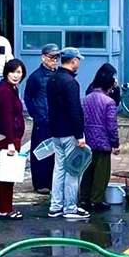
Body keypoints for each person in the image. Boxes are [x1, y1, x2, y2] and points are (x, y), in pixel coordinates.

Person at [46, 48, 89, 221]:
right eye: (79, 60)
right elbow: (75, 110)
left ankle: (55, 206)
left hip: (56, 131)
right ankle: (70, 207)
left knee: (59, 169)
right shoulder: (70, 82)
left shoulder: (52, 79)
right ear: (73, 61)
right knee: (73, 170)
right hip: (70, 132)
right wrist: (80, 135)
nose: (79, 63)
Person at [80, 69, 121, 212]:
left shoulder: (86, 99)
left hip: (87, 140)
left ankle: (84, 197)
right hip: (103, 141)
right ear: (109, 87)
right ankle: (97, 200)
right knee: (101, 173)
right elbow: (111, 125)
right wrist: (115, 144)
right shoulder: (109, 102)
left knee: (87, 171)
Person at [24, 44, 61, 195]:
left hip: (56, 120)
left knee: (55, 152)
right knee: (41, 152)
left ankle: (51, 181)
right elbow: (28, 97)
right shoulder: (36, 77)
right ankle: (40, 183)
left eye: (57, 57)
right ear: (43, 57)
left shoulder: (58, 74)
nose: (54, 61)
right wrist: (36, 116)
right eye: (52, 57)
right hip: (42, 120)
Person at [0, 59, 28, 220]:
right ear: (6, 72)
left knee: (10, 174)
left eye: (19, 72)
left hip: (12, 136)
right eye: (13, 72)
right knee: (8, 174)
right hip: (9, 137)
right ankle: (5, 209)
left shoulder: (11, 88)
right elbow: (5, 117)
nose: (16, 75)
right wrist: (10, 142)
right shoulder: (5, 91)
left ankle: (6, 206)